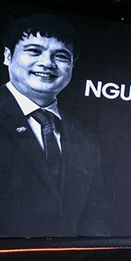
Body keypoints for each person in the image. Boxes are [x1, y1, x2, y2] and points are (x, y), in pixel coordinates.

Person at [0, 14, 111, 237]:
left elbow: (95, 214)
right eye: (34, 51)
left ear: (72, 66)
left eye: (61, 56)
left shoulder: (84, 136)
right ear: (7, 56)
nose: (47, 63)